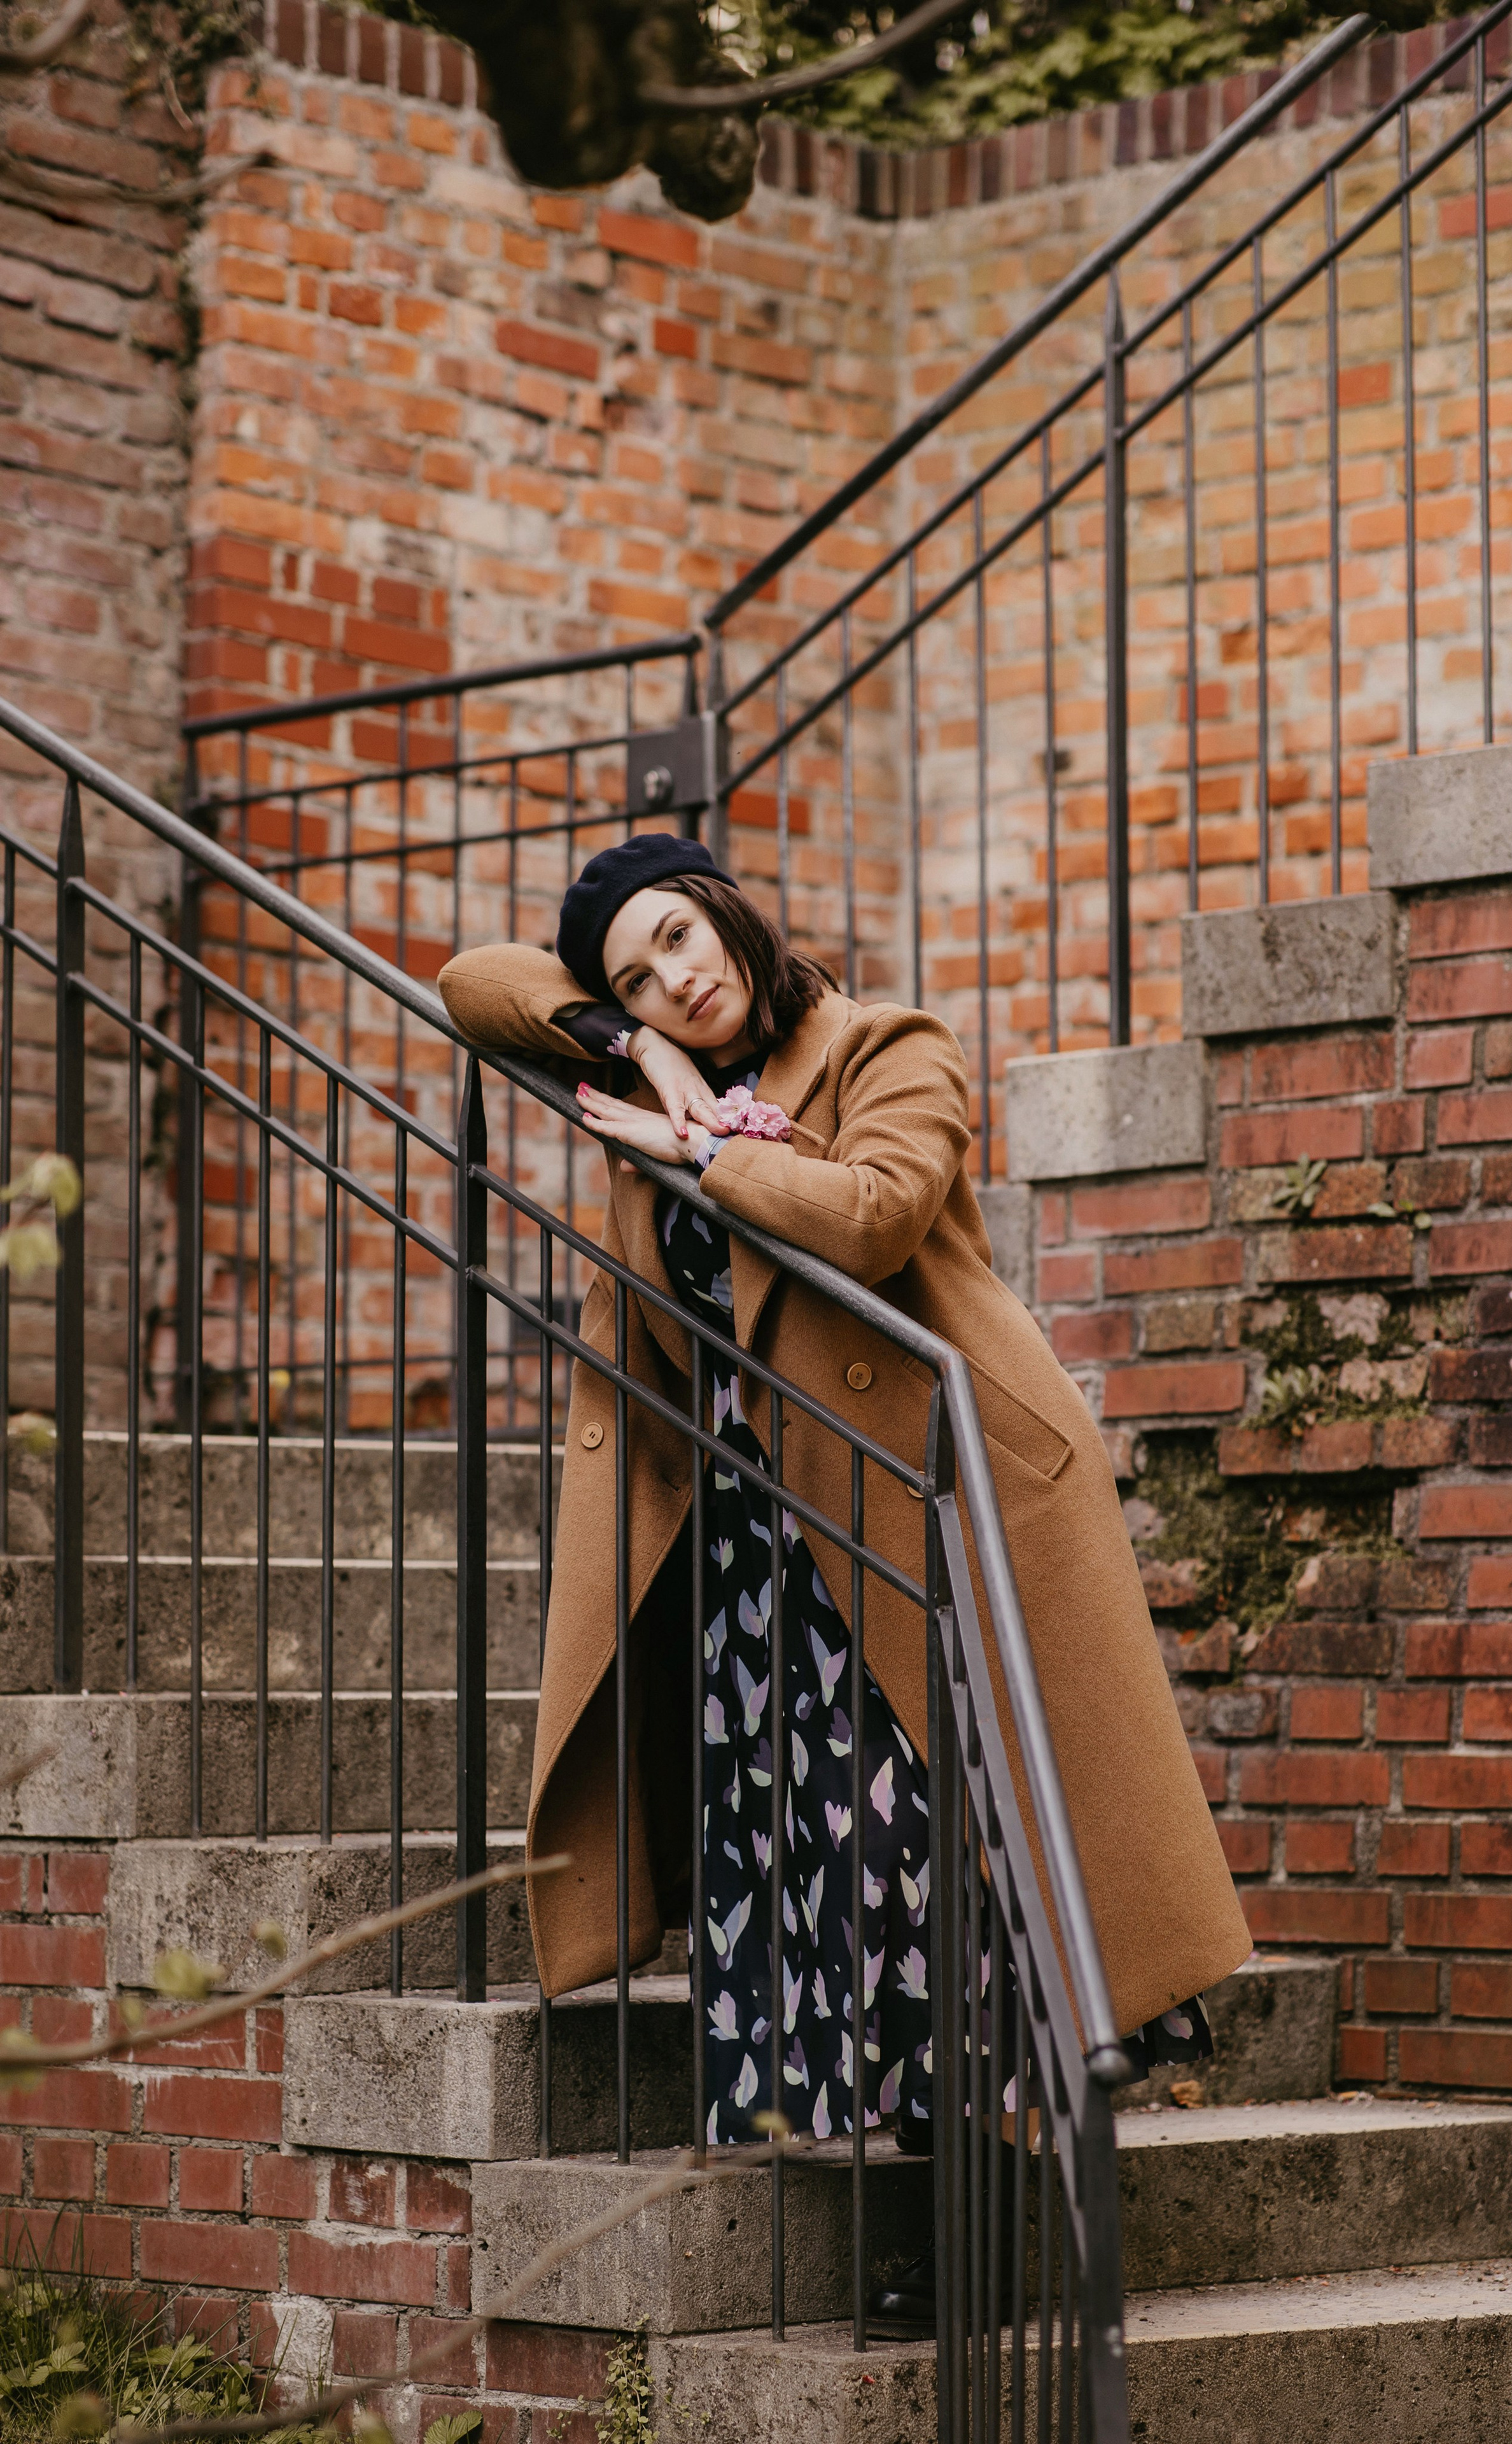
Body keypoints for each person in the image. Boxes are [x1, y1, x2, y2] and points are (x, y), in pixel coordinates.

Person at [438, 834, 1250, 2323]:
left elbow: (875, 1214)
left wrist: (700, 1150)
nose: (675, 980)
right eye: (635, 975)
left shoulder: (884, 1045)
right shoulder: (649, 1070)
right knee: (818, 1863)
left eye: (678, 937)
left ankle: (984, 2217)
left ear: (728, 914)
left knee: (927, 1852)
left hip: (925, 1509)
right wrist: (629, 1051)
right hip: (758, 1548)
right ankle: (915, 2191)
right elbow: (469, 983)